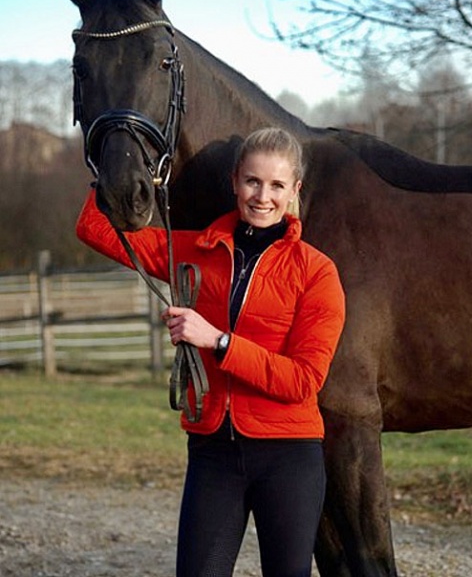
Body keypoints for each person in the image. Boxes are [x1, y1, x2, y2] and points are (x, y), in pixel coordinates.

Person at [76, 126, 345, 577]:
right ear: (235, 180)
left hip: (288, 455)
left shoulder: (316, 273)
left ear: (294, 190)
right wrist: (113, 155)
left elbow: (303, 380)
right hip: (213, 450)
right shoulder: (197, 249)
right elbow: (96, 229)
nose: (263, 196)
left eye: (277, 185)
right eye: (253, 181)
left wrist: (217, 340)